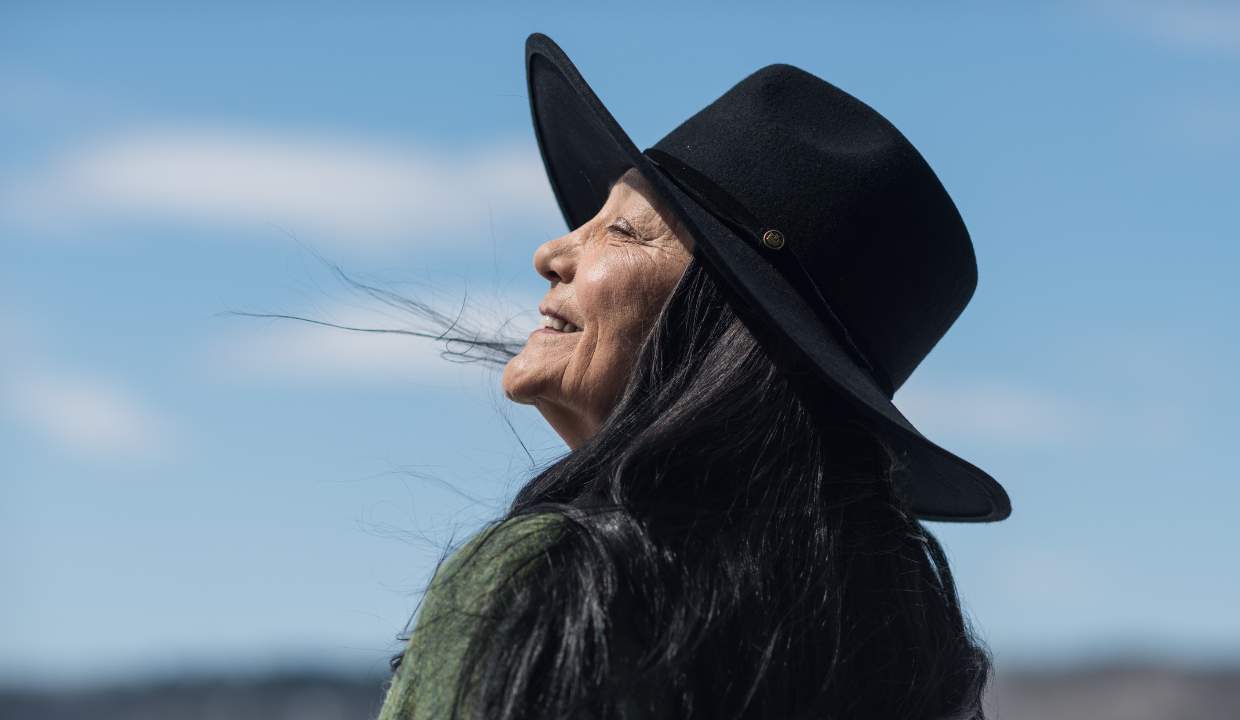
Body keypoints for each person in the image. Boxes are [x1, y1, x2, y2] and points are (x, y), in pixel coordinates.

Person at [377, 33, 1011, 720]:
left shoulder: (556, 581)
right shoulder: (909, 650)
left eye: (622, 231)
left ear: (725, 332)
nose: (552, 251)